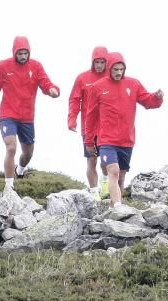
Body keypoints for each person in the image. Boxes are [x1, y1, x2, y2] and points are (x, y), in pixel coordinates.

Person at [82, 53, 163, 207]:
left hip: (127, 140)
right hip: (106, 140)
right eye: (115, 69)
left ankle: (114, 207)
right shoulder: (97, 87)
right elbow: (90, 117)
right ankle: (119, 207)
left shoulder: (133, 84)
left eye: (121, 69)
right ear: (109, 69)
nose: (119, 72)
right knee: (113, 170)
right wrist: (89, 141)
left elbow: (148, 101)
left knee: (121, 176)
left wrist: (157, 97)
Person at [0, 36, 60, 192]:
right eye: (20, 53)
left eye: (25, 53)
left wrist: (53, 90)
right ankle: (9, 187)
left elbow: (46, 83)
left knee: (28, 153)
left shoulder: (36, 66)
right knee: (11, 147)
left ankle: (20, 170)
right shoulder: (3, 66)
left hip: (27, 117)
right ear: (14, 52)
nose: (23, 56)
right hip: (8, 115)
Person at [68, 46, 109, 196]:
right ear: (92, 62)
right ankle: (94, 193)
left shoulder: (112, 78)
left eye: (102, 62)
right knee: (92, 160)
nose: (99, 65)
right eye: (96, 62)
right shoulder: (82, 78)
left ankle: (105, 185)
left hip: (107, 127)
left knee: (106, 160)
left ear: (107, 62)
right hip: (89, 127)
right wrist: (72, 119)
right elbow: (74, 99)